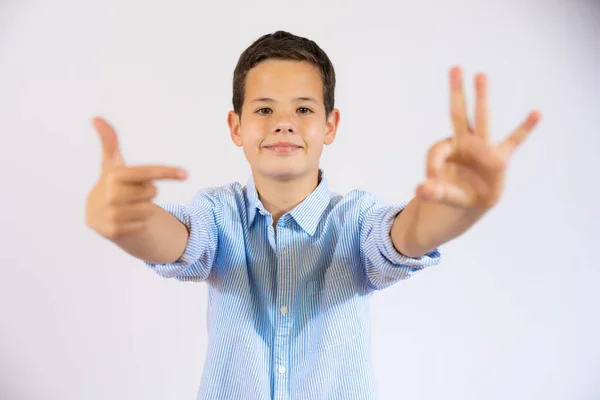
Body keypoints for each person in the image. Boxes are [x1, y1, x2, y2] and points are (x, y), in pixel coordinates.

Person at [85, 30, 541, 400]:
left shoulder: (356, 220)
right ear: (236, 127)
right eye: (264, 109)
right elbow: (177, 240)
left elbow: (408, 234)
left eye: (303, 108)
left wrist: (458, 207)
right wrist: (132, 219)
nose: (284, 122)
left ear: (330, 125)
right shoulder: (217, 212)